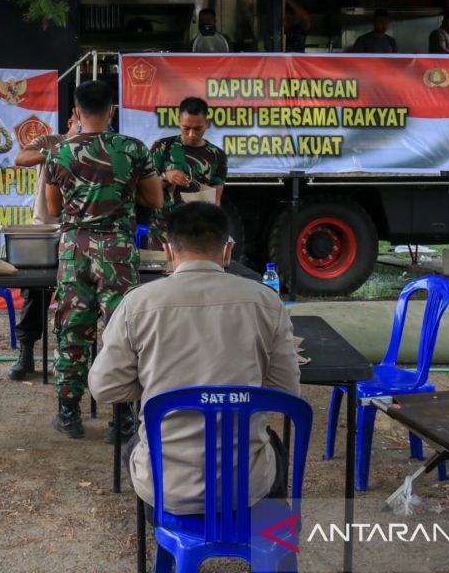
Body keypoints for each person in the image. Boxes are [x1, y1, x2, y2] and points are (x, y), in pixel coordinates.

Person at [89, 202, 301, 515]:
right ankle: (266, 540)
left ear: (168, 250)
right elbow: (286, 392)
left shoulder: (137, 303)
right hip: (248, 490)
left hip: (165, 492)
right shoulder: (266, 302)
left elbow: (104, 388)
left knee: (136, 444)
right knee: (273, 446)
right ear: (228, 250)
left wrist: (155, 386)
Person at [45, 80, 163, 439]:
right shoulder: (133, 149)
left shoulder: (59, 152)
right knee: (122, 333)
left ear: (77, 112)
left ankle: (68, 414)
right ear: (112, 111)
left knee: (72, 330)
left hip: (74, 248)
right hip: (117, 251)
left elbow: (53, 209)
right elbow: (155, 200)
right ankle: (123, 418)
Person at [7, 115, 80, 381]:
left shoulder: (97, 145)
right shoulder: (51, 141)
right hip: (46, 230)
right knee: (35, 292)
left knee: (75, 295)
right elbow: (21, 158)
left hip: (80, 231)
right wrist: (54, 153)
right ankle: (26, 354)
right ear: (74, 117)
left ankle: (70, 356)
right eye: (78, 121)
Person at [148, 97, 227, 250]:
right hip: (163, 229)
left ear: (207, 124)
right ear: (179, 122)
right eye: (186, 128)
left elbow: (216, 200)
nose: (191, 134)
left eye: (198, 129)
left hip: (198, 231)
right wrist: (166, 176)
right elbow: (147, 191)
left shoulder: (217, 155)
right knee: (161, 272)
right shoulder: (162, 147)